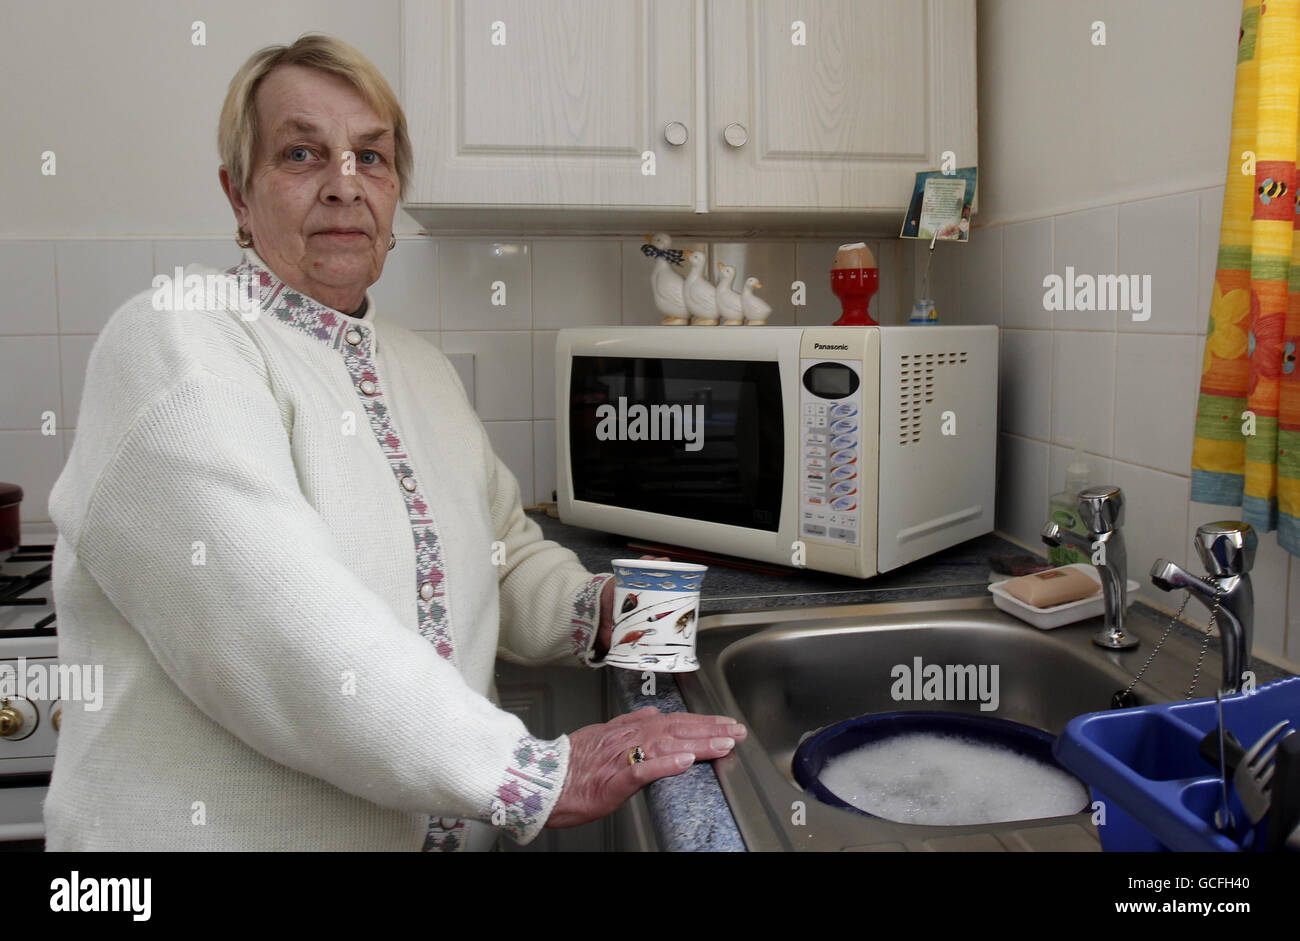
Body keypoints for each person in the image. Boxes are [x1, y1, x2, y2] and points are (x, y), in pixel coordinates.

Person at [44, 33, 744, 851]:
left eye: (371, 158)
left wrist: (609, 616)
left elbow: (502, 555)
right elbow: (276, 617)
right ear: (239, 195)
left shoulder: (419, 368)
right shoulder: (176, 338)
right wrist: (527, 773)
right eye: (303, 153)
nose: (346, 186)